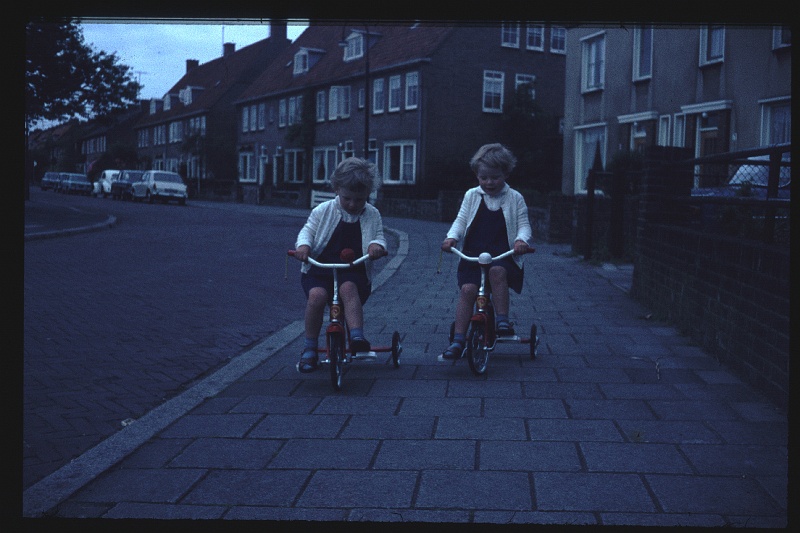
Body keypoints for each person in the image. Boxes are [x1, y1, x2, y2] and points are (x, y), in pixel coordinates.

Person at [292, 157, 388, 373]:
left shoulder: (372, 214)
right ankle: (309, 348)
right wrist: (304, 246)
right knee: (316, 297)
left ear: (368, 194)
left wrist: (376, 246)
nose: (353, 204)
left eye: (359, 199)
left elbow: (379, 236)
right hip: (321, 269)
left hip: (353, 270)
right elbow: (307, 231)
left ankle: (357, 338)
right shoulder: (323, 210)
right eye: (347, 198)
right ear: (336, 189)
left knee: (348, 289)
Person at [440, 143, 533, 361]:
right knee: (467, 290)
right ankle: (458, 340)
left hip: (502, 255)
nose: (489, 182)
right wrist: (452, 238)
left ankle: (502, 320)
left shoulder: (515, 198)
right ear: (477, 175)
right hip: (473, 255)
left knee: (497, 272)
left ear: (506, 174)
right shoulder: (472, 195)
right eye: (484, 178)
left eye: (495, 177)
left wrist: (521, 241)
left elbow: (524, 225)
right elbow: (461, 220)